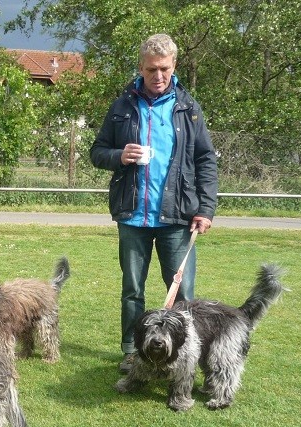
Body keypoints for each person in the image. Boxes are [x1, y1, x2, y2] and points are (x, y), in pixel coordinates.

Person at [89, 33, 218, 373]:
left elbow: (206, 160)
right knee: (132, 291)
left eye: (163, 69)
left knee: (183, 295)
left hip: (178, 218)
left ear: (173, 66)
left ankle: (184, 354)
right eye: (151, 70)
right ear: (141, 69)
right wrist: (120, 155)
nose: (157, 76)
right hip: (133, 218)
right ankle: (133, 351)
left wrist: (205, 208)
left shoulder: (188, 109)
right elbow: (97, 152)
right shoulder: (122, 107)